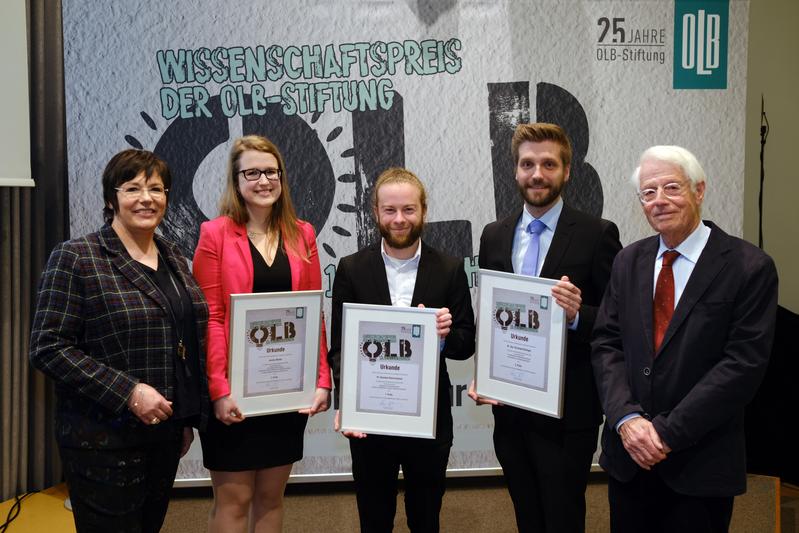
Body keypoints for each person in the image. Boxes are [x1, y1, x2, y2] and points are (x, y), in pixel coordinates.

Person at [591, 145, 778, 533]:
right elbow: (607, 344)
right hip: (629, 460)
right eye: (648, 192)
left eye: (671, 187)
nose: (659, 200)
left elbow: (741, 366)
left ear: (699, 190)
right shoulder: (628, 261)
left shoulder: (749, 267)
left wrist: (664, 433)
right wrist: (626, 419)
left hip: (699, 464)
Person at [29, 149, 209, 532]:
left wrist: (186, 417)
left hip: (164, 432)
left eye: (156, 189)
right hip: (103, 439)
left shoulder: (173, 254)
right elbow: (48, 347)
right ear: (111, 199)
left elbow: (183, 338)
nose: (146, 198)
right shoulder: (77, 257)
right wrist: (129, 392)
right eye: (133, 188)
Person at [469, 122, 622, 532]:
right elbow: (493, 315)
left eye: (549, 164)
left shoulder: (597, 234)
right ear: (515, 171)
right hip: (512, 409)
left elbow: (621, 321)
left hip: (569, 410)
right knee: (526, 513)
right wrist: (484, 374)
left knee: (562, 515)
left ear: (567, 171)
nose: (537, 174)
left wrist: (577, 315)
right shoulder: (495, 235)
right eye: (528, 164)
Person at [192, 135, 331, 533]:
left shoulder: (302, 234)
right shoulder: (214, 234)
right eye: (251, 172)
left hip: (284, 390)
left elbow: (311, 314)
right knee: (234, 501)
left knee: (271, 499)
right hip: (235, 391)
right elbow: (212, 317)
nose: (263, 181)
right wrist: (218, 390)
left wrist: (320, 380)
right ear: (236, 181)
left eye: (271, 172)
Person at [327, 167, 476, 532]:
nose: (399, 219)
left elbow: (466, 343)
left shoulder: (450, 269)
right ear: (375, 212)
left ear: (423, 211)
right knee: (374, 520)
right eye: (390, 210)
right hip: (370, 423)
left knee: (426, 518)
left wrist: (442, 336)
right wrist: (349, 403)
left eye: (408, 209)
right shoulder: (351, 269)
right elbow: (340, 349)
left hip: (429, 421)